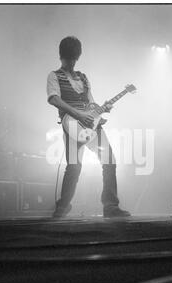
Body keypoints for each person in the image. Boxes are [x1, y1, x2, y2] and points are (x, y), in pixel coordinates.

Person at [47, 36, 130, 218]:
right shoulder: (54, 76)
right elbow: (54, 98)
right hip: (71, 125)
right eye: (69, 59)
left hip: (92, 126)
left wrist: (101, 113)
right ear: (62, 57)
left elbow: (91, 104)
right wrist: (79, 115)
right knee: (74, 167)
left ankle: (110, 206)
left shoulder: (83, 78)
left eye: (74, 59)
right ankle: (62, 206)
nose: (71, 63)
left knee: (109, 160)